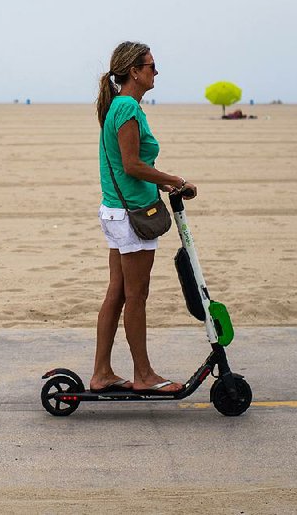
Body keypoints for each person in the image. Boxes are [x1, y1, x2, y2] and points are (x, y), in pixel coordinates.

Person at [91, 42, 198, 395]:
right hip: (131, 216)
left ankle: (102, 373)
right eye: (151, 66)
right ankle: (144, 375)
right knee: (136, 295)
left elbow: (132, 168)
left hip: (117, 211)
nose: (156, 72)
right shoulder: (127, 109)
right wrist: (176, 181)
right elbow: (132, 165)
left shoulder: (122, 106)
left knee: (118, 292)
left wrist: (160, 185)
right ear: (134, 71)